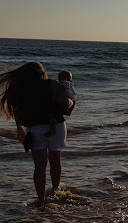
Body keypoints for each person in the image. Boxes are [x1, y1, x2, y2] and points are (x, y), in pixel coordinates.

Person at [0, 62, 74, 206]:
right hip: (57, 127)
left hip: (35, 129)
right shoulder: (51, 84)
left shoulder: (21, 89)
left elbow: (17, 111)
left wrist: (19, 128)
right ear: (42, 73)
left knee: (39, 166)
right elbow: (66, 103)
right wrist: (71, 101)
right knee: (55, 160)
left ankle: (41, 200)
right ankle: (54, 190)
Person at [45, 70, 77, 137]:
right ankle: (69, 111)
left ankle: (52, 129)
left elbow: (62, 89)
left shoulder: (64, 83)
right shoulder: (70, 84)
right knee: (73, 103)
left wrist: (55, 96)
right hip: (71, 98)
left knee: (52, 114)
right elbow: (73, 98)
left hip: (65, 97)